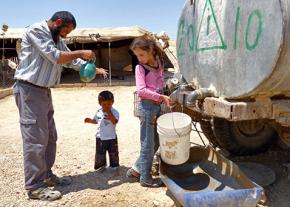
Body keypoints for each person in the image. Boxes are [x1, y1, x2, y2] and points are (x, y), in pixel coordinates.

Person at [13, 11, 107, 201]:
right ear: (57, 22)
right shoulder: (36, 30)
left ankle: (47, 175)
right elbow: (55, 56)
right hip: (29, 90)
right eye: (66, 31)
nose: (66, 35)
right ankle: (34, 186)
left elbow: (70, 59)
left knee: (49, 136)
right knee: (35, 139)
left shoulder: (56, 37)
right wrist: (82, 52)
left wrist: (90, 67)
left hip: (44, 91)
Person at [126, 35, 172, 187]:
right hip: (146, 108)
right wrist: (161, 97)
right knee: (147, 143)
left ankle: (136, 169)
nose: (139, 58)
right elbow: (141, 91)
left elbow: (160, 82)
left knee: (157, 140)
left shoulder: (159, 62)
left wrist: (165, 93)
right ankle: (145, 178)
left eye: (141, 54)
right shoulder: (140, 68)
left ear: (151, 50)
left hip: (157, 106)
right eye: (137, 55)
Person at [84, 90, 120, 173]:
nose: (107, 106)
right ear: (100, 103)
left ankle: (114, 166)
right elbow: (96, 121)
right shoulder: (98, 112)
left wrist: (109, 113)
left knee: (113, 153)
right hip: (100, 137)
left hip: (111, 137)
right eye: (104, 104)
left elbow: (115, 121)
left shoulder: (115, 112)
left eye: (109, 104)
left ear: (112, 102)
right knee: (100, 153)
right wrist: (90, 120)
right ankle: (101, 166)